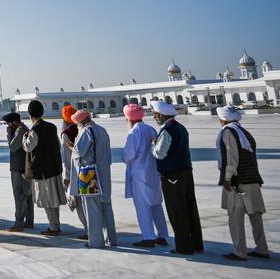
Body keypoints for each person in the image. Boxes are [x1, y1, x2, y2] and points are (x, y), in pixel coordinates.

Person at [216, 105, 269, 261]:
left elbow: (231, 156)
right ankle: (262, 248)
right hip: (252, 179)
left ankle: (239, 251)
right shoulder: (245, 132)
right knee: (255, 216)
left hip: (237, 182)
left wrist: (227, 178)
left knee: (235, 216)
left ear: (224, 119)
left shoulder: (228, 132)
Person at [151, 100, 203, 255]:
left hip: (172, 175)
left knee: (177, 210)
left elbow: (160, 154)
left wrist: (153, 145)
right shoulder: (181, 127)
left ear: (161, 115)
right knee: (189, 208)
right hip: (186, 172)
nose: (154, 117)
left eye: (155, 114)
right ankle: (196, 244)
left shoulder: (167, 130)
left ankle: (183, 246)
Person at [121, 103, 168, 248]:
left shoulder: (134, 132)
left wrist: (124, 157)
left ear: (130, 119)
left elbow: (128, 155)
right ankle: (163, 235)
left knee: (143, 206)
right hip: (153, 173)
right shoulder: (150, 129)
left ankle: (148, 237)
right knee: (156, 205)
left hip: (140, 174)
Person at [70, 109, 117, 249]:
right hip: (104, 172)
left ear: (80, 122)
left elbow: (79, 152)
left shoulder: (85, 132)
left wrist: (72, 148)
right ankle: (112, 238)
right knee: (106, 205)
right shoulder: (102, 130)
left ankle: (96, 241)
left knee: (92, 208)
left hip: (89, 174)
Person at [23, 100, 66, 235]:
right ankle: (55, 225)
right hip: (54, 168)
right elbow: (57, 145)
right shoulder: (52, 127)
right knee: (54, 200)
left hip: (42, 171)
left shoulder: (35, 129)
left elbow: (28, 147)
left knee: (47, 199)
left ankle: (54, 227)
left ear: (31, 116)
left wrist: (24, 138)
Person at [60, 105, 88, 239]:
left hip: (74, 173)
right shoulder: (83, 129)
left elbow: (66, 158)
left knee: (78, 203)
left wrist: (66, 177)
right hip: (89, 171)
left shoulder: (66, 134)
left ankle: (88, 229)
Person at [4, 112, 33, 232]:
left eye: (8, 123)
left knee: (19, 195)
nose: (8, 126)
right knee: (27, 194)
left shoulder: (20, 130)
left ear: (13, 122)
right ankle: (29, 221)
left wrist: (9, 134)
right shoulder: (23, 128)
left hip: (19, 168)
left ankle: (19, 223)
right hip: (22, 167)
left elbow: (12, 146)